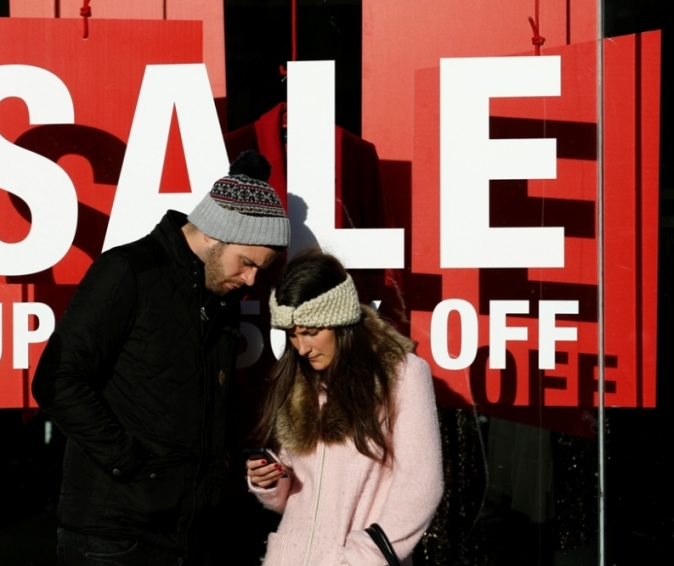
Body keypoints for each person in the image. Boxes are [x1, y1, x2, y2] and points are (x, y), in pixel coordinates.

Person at [32, 151, 289, 566]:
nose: (251, 280)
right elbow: (58, 380)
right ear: (212, 233)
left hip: (188, 535)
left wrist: (233, 462)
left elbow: (192, 408)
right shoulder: (128, 271)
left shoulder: (220, 297)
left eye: (260, 269)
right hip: (113, 537)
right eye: (246, 263)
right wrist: (132, 465)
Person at [246, 249, 443, 566]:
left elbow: (421, 486)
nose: (302, 347)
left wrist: (361, 558)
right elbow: (301, 490)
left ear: (341, 322)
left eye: (311, 332)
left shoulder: (402, 375)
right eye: (293, 335)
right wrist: (272, 477)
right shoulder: (302, 379)